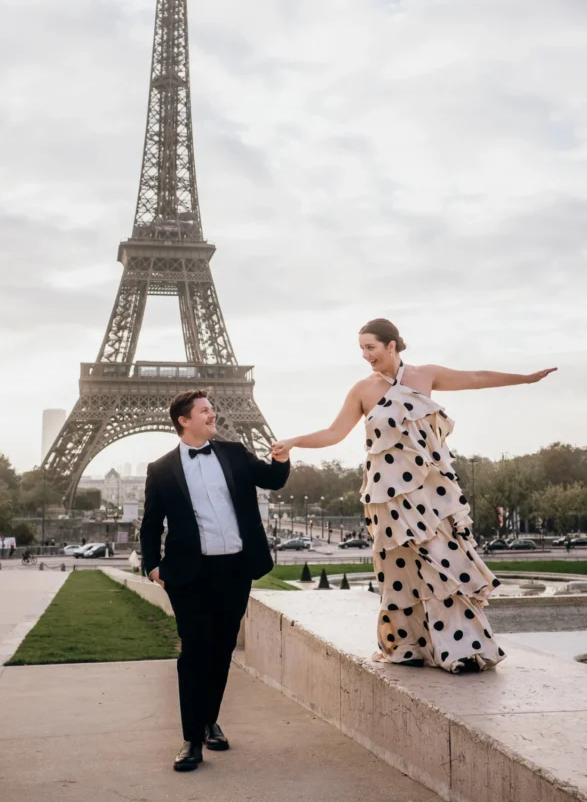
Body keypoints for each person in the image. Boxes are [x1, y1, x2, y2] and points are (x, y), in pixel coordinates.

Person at [272, 318, 556, 675]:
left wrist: (525, 378)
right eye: (361, 348)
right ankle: (409, 645)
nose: (365, 355)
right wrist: (295, 441)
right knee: (401, 571)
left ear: (392, 345)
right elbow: (333, 432)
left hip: (432, 493)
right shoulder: (363, 390)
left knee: (445, 565)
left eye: (370, 347)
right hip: (387, 497)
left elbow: (477, 378)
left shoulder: (426, 375)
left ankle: (461, 648)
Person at [140, 389, 291, 772]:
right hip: (189, 574)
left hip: (235, 569)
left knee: (222, 650)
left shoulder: (235, 453)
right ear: (184, 420)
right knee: (194, 653)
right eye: (205, 410)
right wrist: (153, 567)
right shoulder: (160, 469)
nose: (213, 414)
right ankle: (191, 740)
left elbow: (272, 480)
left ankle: (210, 722)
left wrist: (282, 458)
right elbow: (151, 523)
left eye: (212, 409)